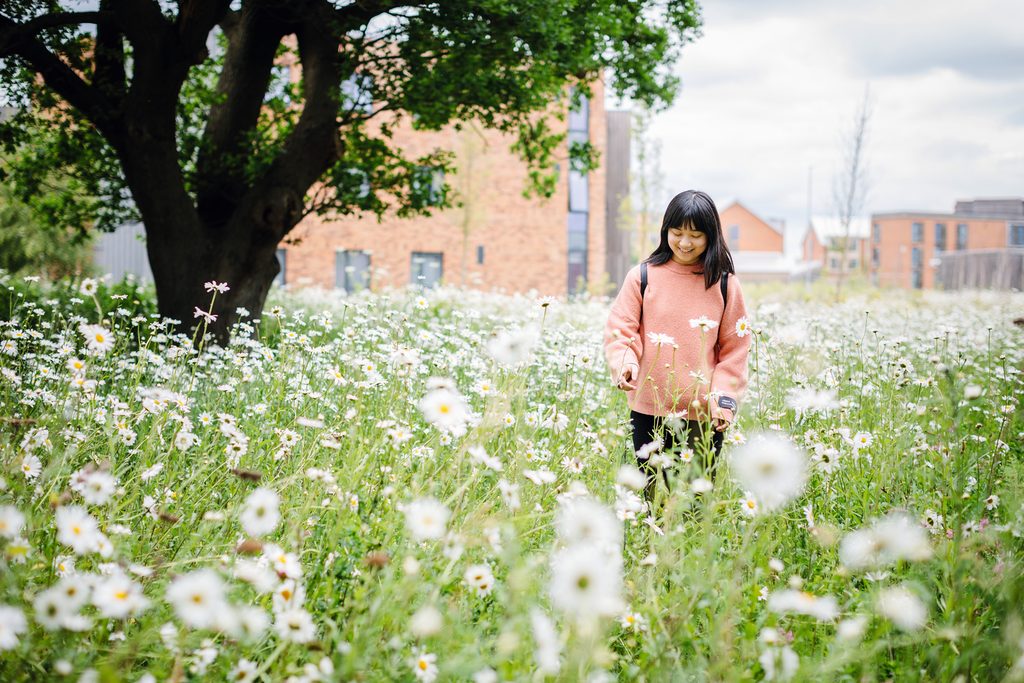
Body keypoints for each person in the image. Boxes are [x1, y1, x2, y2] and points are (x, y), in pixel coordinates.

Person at [604, 190, 751, 500]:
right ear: (665, 231)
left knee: (697, 500)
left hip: (703, 414)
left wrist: (724, 400)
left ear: (711, 236)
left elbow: (734, 349)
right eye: (677, 233)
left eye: (695, 235)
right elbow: (622, 330)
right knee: (654, 498)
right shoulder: (642, 276)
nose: (685, 243)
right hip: (649, 408)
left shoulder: (724, 284)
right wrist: (626, 363)